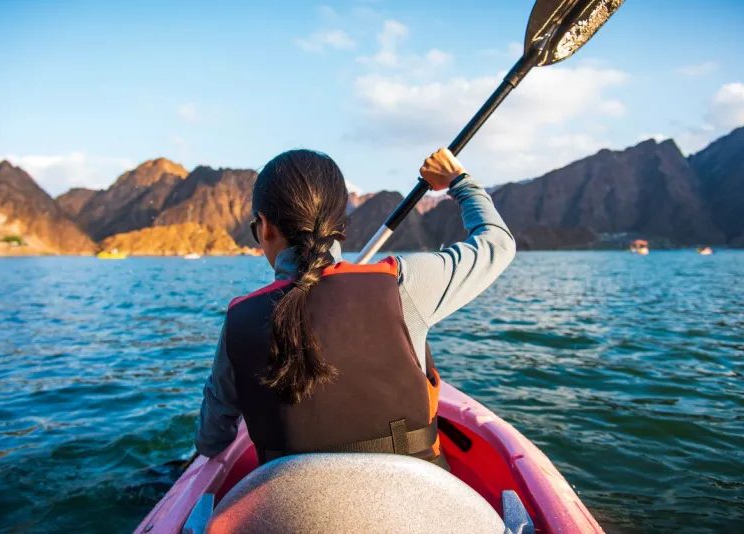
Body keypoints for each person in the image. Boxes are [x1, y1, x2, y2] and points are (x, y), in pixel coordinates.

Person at [196, 148, 515, 467]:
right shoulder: (402, 285)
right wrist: (458, 180)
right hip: (415, 494)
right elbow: (497, 243)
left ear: (265, 227)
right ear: (342, 227)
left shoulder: (239, 320)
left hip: (290, 500)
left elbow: (212, 440)